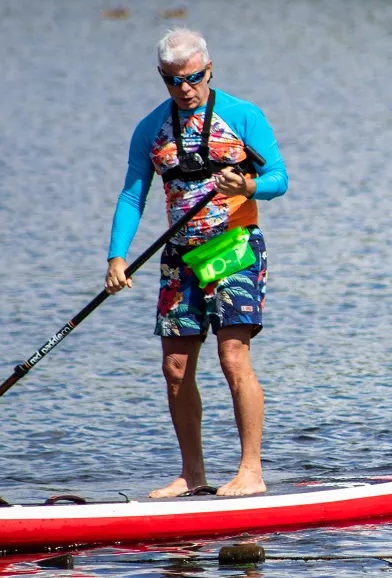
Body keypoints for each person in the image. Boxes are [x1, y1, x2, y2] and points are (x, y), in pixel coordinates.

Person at [105, 29, 288, 497]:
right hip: (180, 254)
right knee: (176, 368)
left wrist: (246, 188)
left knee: (232, 355)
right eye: (171, 80)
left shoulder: (243, 115)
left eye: (192, 78)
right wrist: (117, 256)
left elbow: (279, 179)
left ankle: (251, 472)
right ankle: (193, 474)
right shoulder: (151, 128)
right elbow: (133, 193)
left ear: (210, 70)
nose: (183, 89)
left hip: (233, 247)